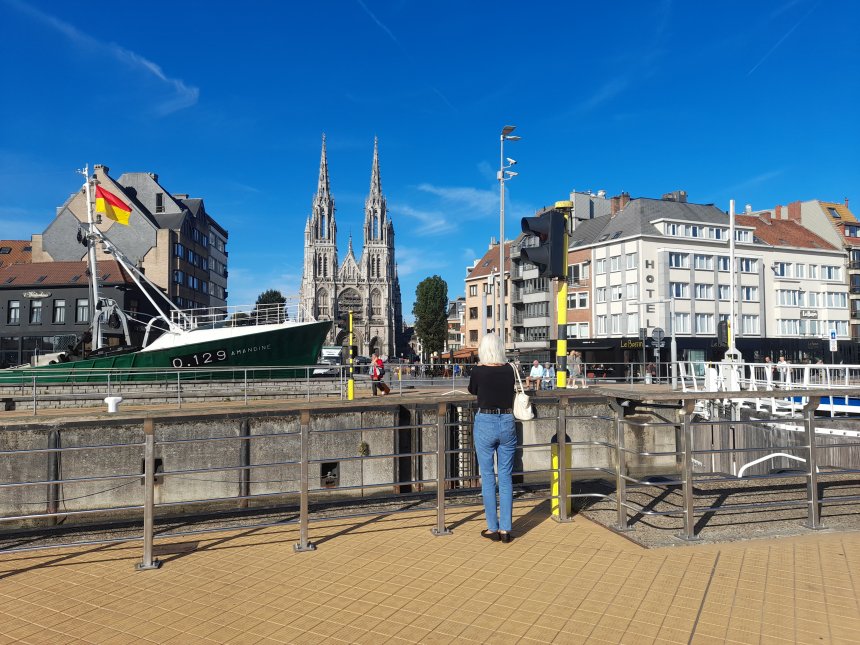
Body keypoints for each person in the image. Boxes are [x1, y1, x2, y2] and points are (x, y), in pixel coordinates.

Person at [467, 333, 517, 543]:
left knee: (488, 476)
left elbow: (472, 390)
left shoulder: (478, 370)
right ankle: (506, 529)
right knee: (505, 476)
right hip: (507, 420)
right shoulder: (510, 369)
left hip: (486, 422)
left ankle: (492, 528)